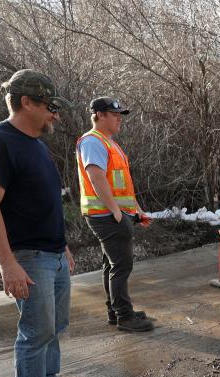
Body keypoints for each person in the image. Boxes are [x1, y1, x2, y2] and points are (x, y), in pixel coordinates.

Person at [0, 69, 87, 377]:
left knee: (55, 325)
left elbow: (44, 202)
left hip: (52, 254)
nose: (55, 115)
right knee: (36, 330)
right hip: (27, 257)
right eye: (50, 107)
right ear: (27, 102)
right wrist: (7, 264)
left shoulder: (36, 145)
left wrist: (62, 246)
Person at [76, 96, 155, 332]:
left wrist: (137, 211)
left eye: (120, 115)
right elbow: (96, 177)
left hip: (114, 214)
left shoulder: (108, 142)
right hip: (107, 216)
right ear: (99, 115)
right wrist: (116, 212)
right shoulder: (93, 141)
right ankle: (125, 316)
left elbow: (122, 185)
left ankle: (116, 311)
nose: (119, 119)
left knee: (112, 266)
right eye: (114, 114)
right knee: (121, 266)